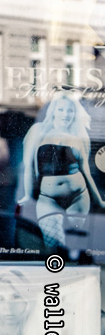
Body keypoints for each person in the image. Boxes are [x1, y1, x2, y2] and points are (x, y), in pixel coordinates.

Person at [18, 93, 104, 250]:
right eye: (61, 109)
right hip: (47, 199)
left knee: (74, 246)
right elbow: (28, 165)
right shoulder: (39, 130)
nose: (66, 114)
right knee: (53, 245)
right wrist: (28, 196)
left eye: (70, 111)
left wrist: (98, 201)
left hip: (79, 197)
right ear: (53, 111)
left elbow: (85, 171)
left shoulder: (80, 134)